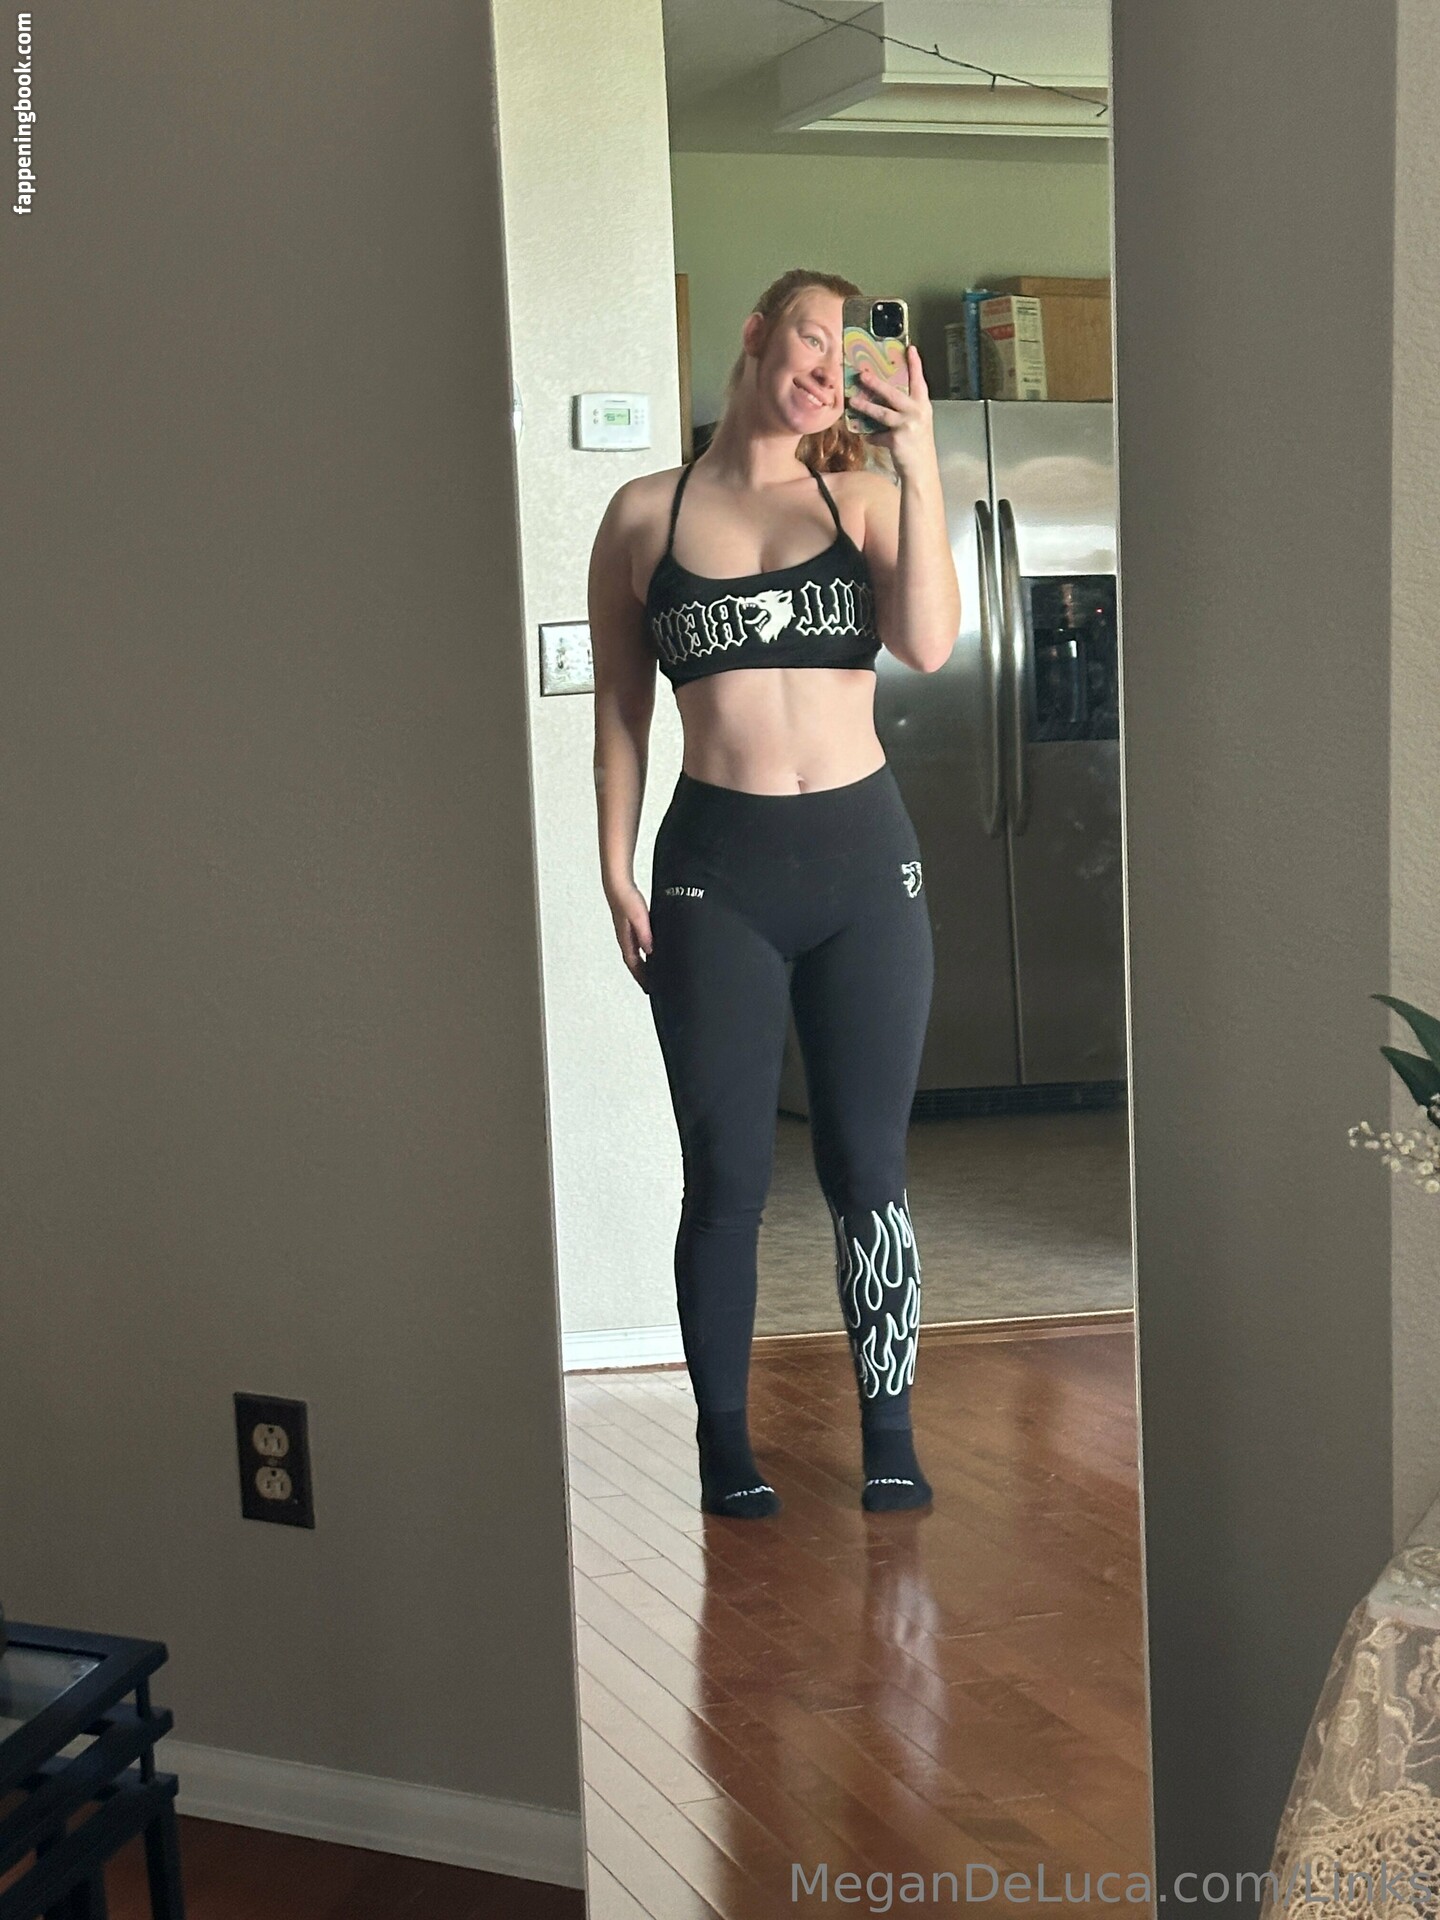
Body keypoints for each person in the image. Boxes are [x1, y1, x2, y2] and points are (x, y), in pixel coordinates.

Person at [587, 267, 960, 1517]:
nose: (824, 368)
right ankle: (723, 1443)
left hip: (864, 870)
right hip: (716, 875)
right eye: (810, 337)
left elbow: (929, 644)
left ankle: (890, 1433)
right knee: (726, 1176)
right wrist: (611, 862)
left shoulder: (866, 496)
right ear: (757, 335)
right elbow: (622, 713)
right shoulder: (644, 515)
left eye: (848, 354)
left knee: (868, 1166)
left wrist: (922, 458)